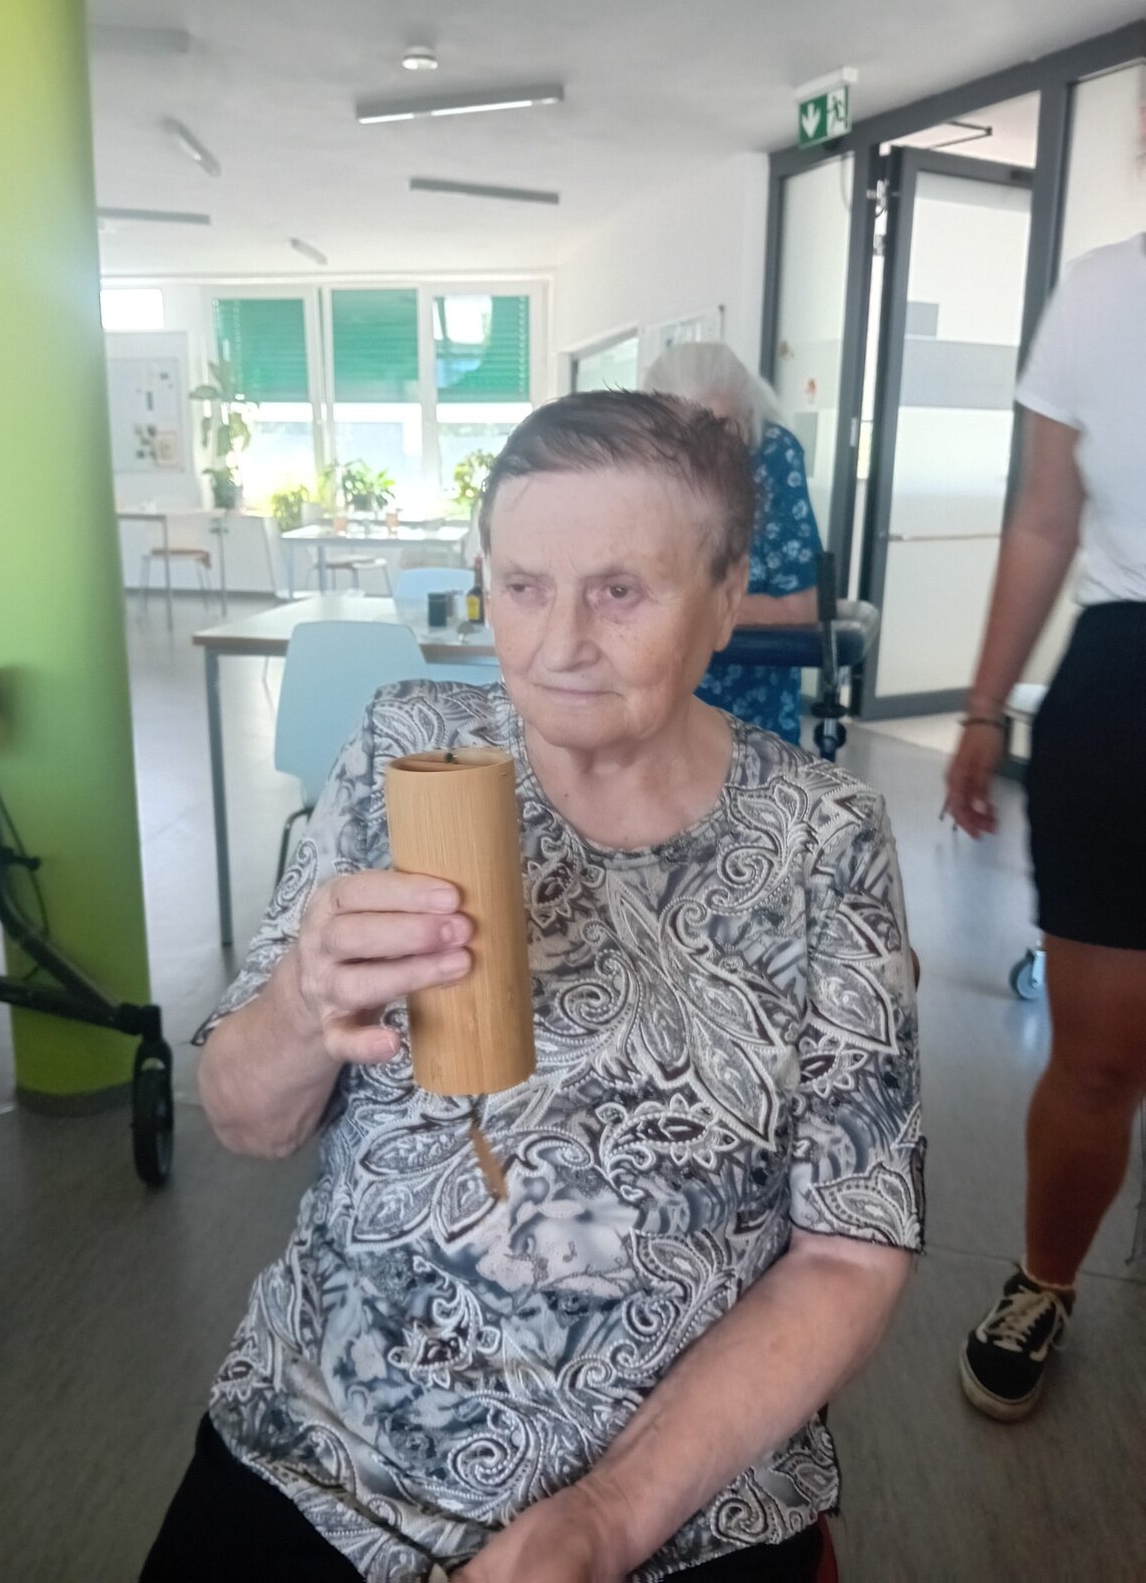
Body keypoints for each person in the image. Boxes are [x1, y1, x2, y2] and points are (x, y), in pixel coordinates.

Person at [144, 392, 923, 1583]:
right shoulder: (406, 751)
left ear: (726, 598)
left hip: (675, 1499)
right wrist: (301, 1003)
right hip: (329, 1443)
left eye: (621, 591)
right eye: (522, 585)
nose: (559, 644)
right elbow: (248, 1119)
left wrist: (606, 1518)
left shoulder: (825, 839)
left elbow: (851, 1252)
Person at [946, 234, 1146, 1422]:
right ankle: (1047, 1278)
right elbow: (1042, 518)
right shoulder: (1106, 290)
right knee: (1102, 1054)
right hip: (1128, 682)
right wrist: (983, 708)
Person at [643, 342, 823, 745]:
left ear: (746, 416)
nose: (703, 451)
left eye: (720, 428)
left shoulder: (773, 456)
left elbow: (800, 607)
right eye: (683, 433)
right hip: (659, 700)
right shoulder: (643, 461)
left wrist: (675, 607)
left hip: (754, 704)